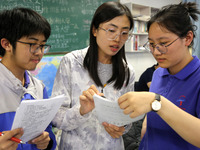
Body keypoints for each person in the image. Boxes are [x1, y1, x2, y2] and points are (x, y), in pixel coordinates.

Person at [51, 1, 135, 150]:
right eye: (111, 30)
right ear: (95, 30)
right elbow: (56, 117)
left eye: (124, 33)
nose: (117, 38)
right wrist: (81, 111)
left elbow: (128, 117)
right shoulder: (71, 63)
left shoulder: (127, 71)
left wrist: (123, 127)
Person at [118, 2, 200, 150]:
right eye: (151, 44)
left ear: (187, 38)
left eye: (163, 43)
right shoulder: (158, 74)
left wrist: (157, 102)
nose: (156, 52)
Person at [0, 7, 56, 150]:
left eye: (42, 45)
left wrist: (46, 142)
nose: (39, 52)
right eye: (32, 44)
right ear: (7, 44)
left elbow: (48, 133)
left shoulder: (38, 87)